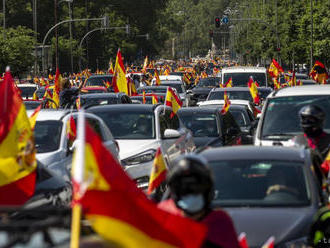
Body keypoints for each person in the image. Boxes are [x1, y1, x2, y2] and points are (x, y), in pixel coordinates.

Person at [158, 155, 240, 248]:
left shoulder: (220, 222)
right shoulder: (163, 214)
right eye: (184, 189)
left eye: (196, 188)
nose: (190, 193)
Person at [292, 105, 330, 175]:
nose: (307, 122)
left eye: (310, 119)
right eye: (304, 119)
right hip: (303, 179)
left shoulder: (328, 141)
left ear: (319, 121)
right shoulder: (296, 140)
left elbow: (326, 167)